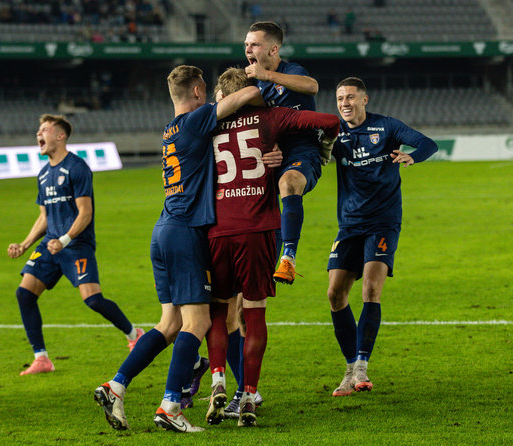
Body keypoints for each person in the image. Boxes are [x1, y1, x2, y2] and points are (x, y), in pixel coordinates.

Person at [94, 65, 264, 433]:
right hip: (186, 232)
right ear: (199, 91)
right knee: (198, 322)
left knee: (169, 324)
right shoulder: (195, 120)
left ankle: (116, 386)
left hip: (163, 229)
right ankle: (171, 404)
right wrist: (254, 81)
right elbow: (248, 95)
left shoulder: (170, 129)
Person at [204, 68, 339, 427]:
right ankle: (249, 395)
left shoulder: (205, 124)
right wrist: (315, 147)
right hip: (259, 229)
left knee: (219, 313)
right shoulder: (271, 117)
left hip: (218, 230)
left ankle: (217, 378)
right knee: (255, 313)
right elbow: (328, 120)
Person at [7, 114, 144, 376]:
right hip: (50, 245)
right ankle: (42, 359)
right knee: (24, 294)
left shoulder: (77, 167)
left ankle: (134, 334)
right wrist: (24, 245)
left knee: (92, 300)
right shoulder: (44, 174)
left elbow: (85, 213)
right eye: (38, 130)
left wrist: (65, 239)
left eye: (44, 129)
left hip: (76, 244)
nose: (39, 134)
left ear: (60, 136)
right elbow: (44, 218)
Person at [327, 78, 437, 396]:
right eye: (339, 98)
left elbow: (428, 143)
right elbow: (310, 153)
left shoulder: (386, 127)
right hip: (349, 224)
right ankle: (350, 369)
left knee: (371, 289)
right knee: (335, 294)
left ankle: (361, 366)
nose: (344, 103)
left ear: (365, 99)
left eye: (350, 97)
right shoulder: (335, 133)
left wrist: (412, 156)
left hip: (383, 222)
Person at [244, 21, 329, 285]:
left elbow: (312, 86)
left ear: (273, 49)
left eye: (255, 44)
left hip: (302, 151)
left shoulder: (290, 71)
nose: (248, 49)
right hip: (267, 156)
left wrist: (268, 76)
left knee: (289, 183)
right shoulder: (248, 82)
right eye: (246, 44)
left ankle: (289, 257)